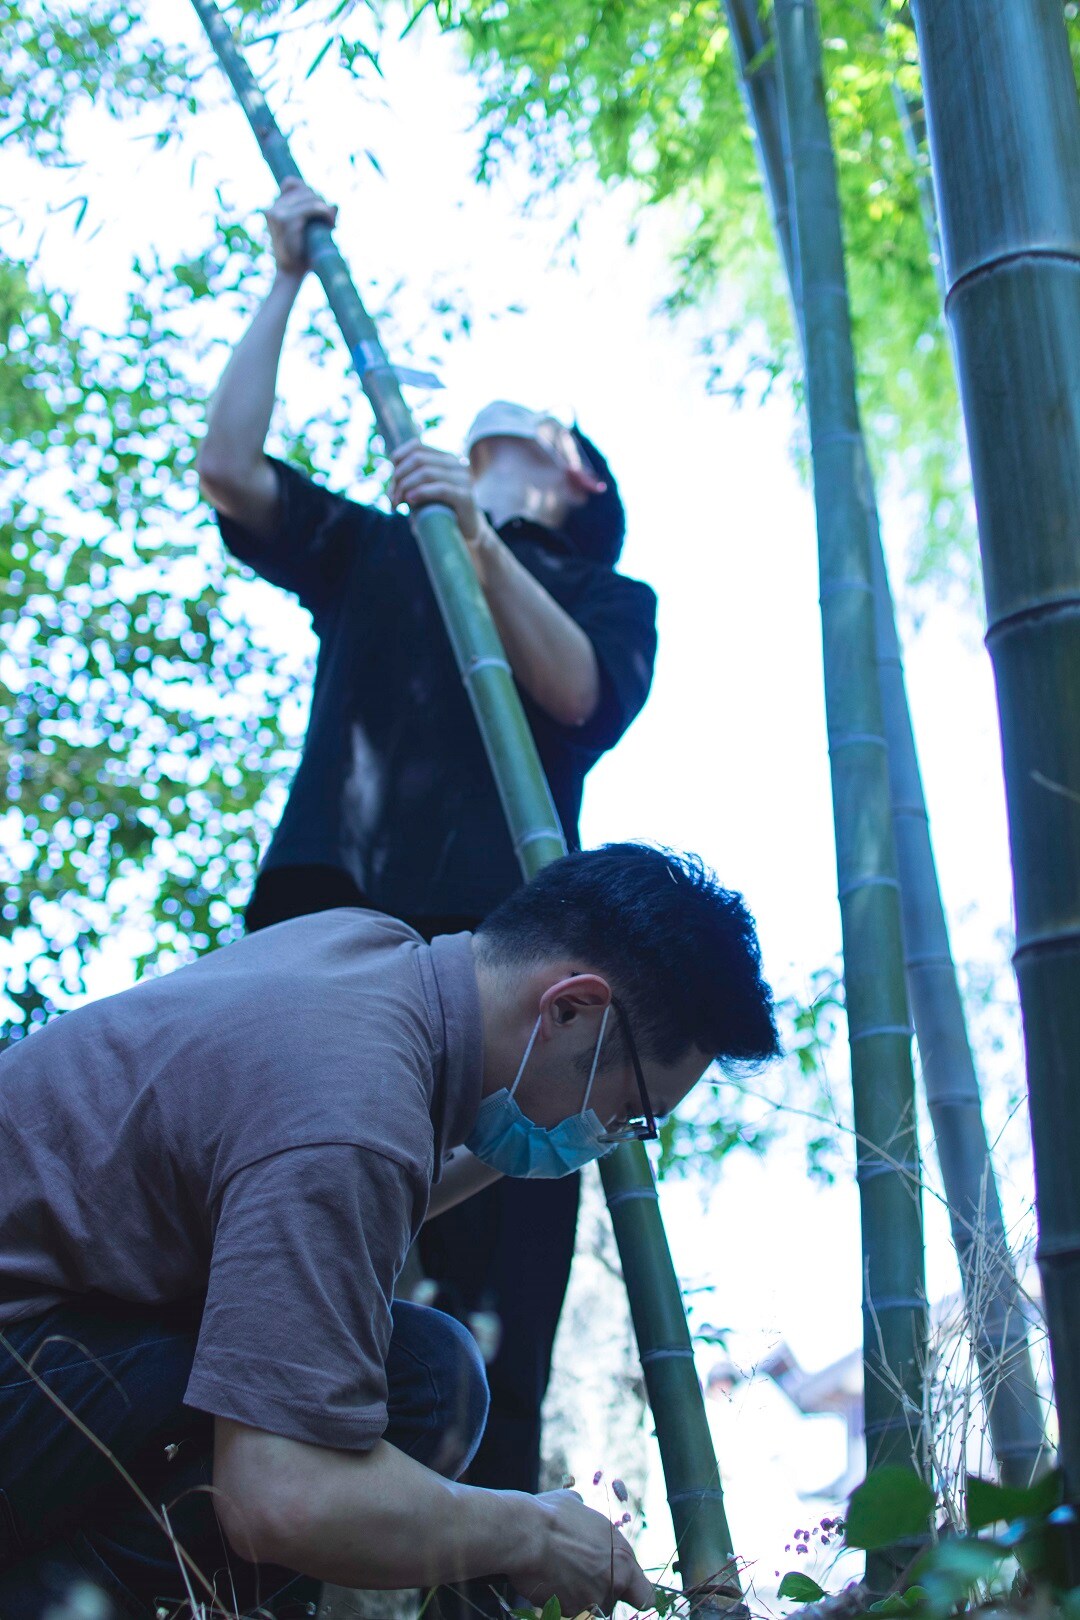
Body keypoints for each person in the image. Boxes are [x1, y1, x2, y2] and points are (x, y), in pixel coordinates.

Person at [195, 177, 661, 1614]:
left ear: (576, 479)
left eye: (527, 429)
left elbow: (573, 694)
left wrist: (474, 539)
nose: (492, 422)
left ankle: (475, 1584)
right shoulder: (383, 549)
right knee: (266, 1280)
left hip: (515, 1002)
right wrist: (282, 278)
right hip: (329, 943)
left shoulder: (603, 593)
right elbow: (229, 468)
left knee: (493, 1329)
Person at [0, 843, 780, 1619]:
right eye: (631, 1110)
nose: (610, 1135)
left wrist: (515, 1144)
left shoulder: (364, 954)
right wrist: (533, 1533)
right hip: (24, 1350)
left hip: (47, 1329)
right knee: (423, 1385)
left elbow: (335, 1185)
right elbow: (278, 1494)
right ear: (569, 1008)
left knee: (414, 1369)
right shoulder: (353, 1112)